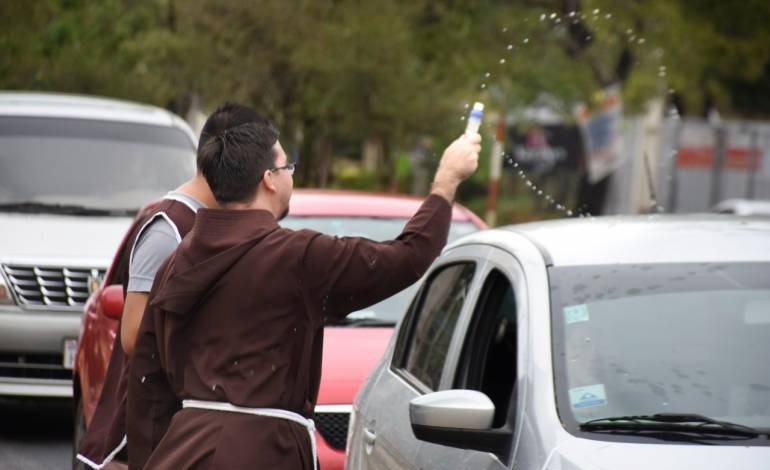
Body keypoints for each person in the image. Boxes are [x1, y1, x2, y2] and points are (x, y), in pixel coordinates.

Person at [127, 102, 481, 470]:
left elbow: (147, 383)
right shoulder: (297, 256)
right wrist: (446, 182)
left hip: (181, 453)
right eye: (288, 167)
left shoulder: (176, 262)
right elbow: (409, 256)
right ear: (269, 178)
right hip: (265, 453)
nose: (290, 177)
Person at [75, 121, 224, 469]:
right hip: (152, 428)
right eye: (278, 167)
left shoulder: (220, 225)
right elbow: (133, 335)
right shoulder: (168, 227)